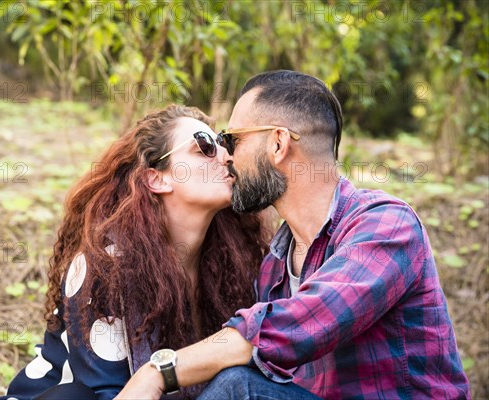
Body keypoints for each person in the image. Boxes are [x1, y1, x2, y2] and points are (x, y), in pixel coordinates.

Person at [116, 70, 471, 399]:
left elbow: (301, 323)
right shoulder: (274, 265)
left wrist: (157, 372)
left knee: (239, 389)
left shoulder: (386, 226)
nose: (226, 156)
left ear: (278, 144)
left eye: (233, 140)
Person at [0, 105, 269, 400]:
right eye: (203, 147)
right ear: (158, 179)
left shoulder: (231, 262)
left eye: (224, 144)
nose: (226, 157)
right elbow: (107, 392)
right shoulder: (105, 267)